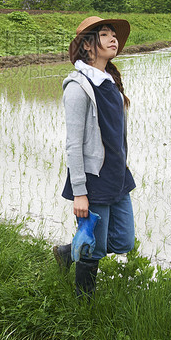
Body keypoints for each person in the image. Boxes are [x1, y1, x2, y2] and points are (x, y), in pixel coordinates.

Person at [53, 16, 136, 298]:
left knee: (124, 240)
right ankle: (83, 306)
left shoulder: (109, 80)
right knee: (94, 249)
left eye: (114, 34)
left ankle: (66, 253)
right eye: (104, 34)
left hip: (117, 175)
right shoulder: (78, 87)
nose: (113, 39)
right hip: (93, 180)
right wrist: (80, 193)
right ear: (88, 46)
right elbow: (73, 145)